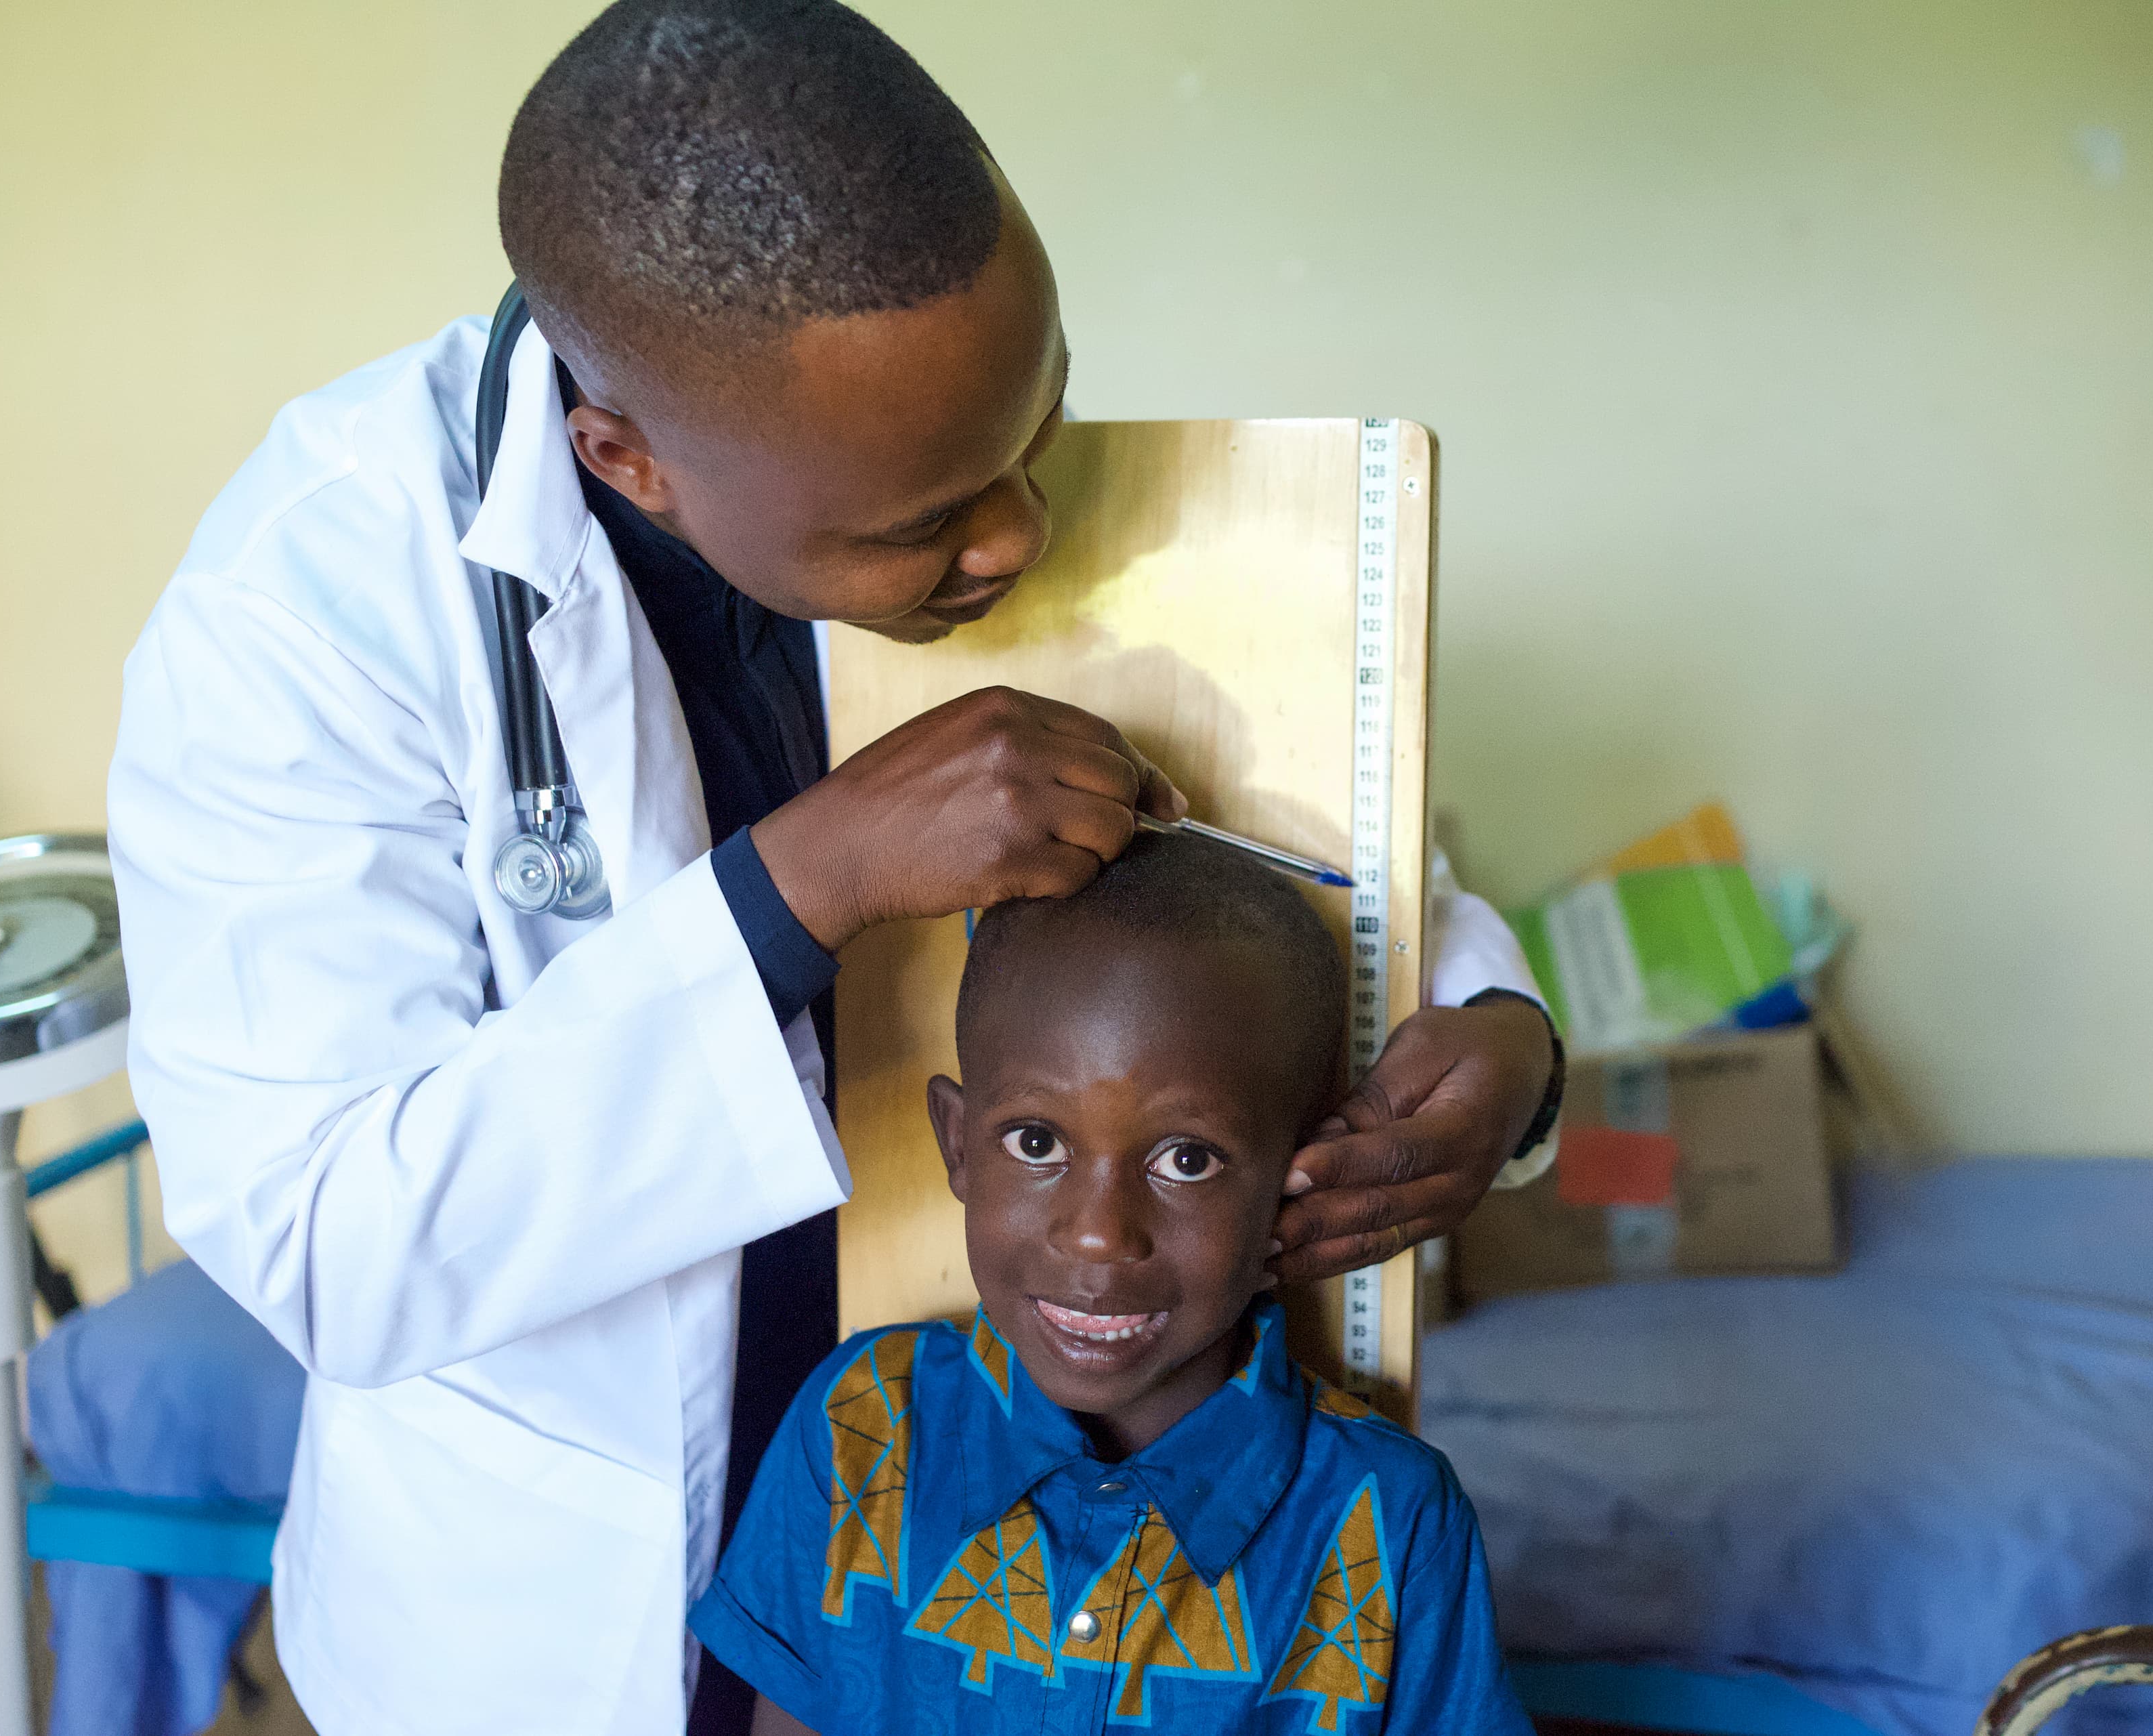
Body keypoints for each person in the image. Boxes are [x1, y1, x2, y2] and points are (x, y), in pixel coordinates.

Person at [106, 3, 1561, 1732]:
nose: (1017, 532)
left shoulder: (932, 444)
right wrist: (803, 886)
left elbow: (1255, 829)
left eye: (1044, 425)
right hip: (563, 1608)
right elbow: (333, 1238)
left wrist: (1498, 1029)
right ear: (624, 459)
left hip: (1006, 1554)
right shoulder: (310, 605)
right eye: (925, 527)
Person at [691, 829, 1533, 1735]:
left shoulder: (1389, 1522)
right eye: (1037, 1143)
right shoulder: (863, 1427)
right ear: (958, 1144)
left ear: (1305, 1176)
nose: (1099, 1234)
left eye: (1187, 1158)